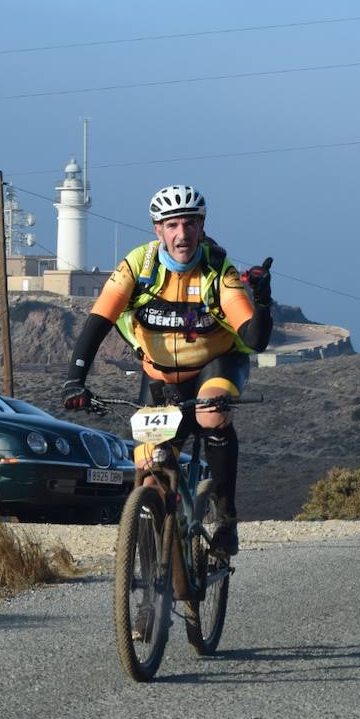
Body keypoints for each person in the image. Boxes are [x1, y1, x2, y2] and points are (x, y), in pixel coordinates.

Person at [62, 184, 273, 555]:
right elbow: (97, 323)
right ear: (158, 229)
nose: (182, 234)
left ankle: (226, 517)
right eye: (172, 225)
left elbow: (255, 340)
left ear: (201, 227)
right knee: (148, 465)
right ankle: (147, 570)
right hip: (159, 376)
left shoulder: (216, 271)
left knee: (211, 414)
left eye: (190, 224)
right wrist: (74, 380)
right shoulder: (137, 266)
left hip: (215, 364)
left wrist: (262, 300)